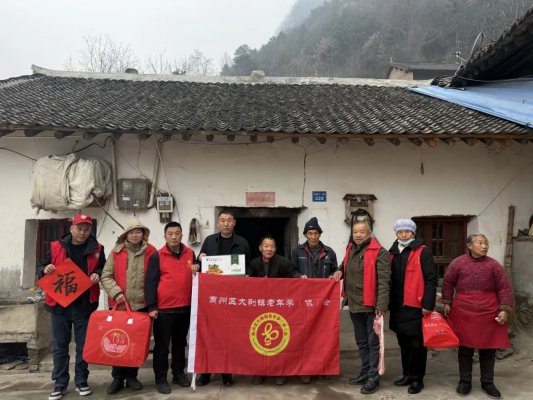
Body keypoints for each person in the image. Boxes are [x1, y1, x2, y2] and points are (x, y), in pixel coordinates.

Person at [38, 213, 105, 400]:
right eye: (80, 228)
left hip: (85, 305)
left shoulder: (97, 248)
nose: (83, 232)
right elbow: (41, 267)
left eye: (87, 229)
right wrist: (46, 269)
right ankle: (59, 384)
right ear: (72, 228)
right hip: (60, 306)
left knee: (83, 347)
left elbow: (103, 267)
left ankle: (81, 381)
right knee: (60, 346)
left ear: (90, 230)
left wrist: (97, 274)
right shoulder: (55, 246)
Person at [442, 234, 513, 399]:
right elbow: (447, 282)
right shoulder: (458, 263)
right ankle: (464, 381)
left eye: (486, 243)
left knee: (488, 349)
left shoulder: (494, 265)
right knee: (465, 349)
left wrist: (504, 310)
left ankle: (488, 382)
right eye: (480, 243)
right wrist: (447, 302)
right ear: (469, 245)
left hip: (489, 311)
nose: (484, 246)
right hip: (463, 311)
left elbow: (504, 288)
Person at [100, 219, 157, 395]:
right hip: (120, 306)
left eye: (138, 232)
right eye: (131, 232)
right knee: (117, 342)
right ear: (126, 235)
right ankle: (117, 377)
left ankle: (132, 376)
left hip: (141, 306)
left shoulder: (151, 252)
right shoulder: (117, 252)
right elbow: (106, 276)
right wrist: (116, 293)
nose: (135, 235)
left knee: (135, 344)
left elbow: (156, 277)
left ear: (143, 234)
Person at [196, 209, 251, 387]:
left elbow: (249, 266)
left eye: (229, 220)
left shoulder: (242, 242)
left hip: (232, 297)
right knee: (208, 335)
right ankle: (205, 372)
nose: (226, 223)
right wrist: (199, 258)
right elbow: (200, 263)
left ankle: (227, 372)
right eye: (222, 220)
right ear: (218, 223)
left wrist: (247, 276)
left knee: (228, 336)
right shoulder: (210, 240)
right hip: (211, 298)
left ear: (234, 222)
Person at [145, 221, 200, 394]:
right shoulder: (156, 255)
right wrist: (152, 307)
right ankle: (161, 379)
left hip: (185, 308)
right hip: (164, 310)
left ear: (182, 235)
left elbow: (199, 272)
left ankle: (178, 374)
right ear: (165, 236)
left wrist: (198, 265)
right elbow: (150, 282)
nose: (174, 237)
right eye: (170, 234)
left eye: (177, 233)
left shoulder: (190, 253)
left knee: (180, 344)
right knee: (162, 347)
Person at [338, 220, 390, 395]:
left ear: (369, 233)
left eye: (362, 232)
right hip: (354, 304)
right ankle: (365, 372)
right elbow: (345, 267)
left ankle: (373, 378)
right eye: (355, 232)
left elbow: (384, 281)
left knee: (372, 343)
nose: (358, 234)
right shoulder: (351, 249)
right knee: (361, 343)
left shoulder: (379, 253)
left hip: (370, 306)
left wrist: (381, 305)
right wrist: (338, 271)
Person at [388, 218, 436, 395]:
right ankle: (407, 374)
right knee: (403, 343)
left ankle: (417, 379)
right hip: (398, 305)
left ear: (413, 233)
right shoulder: (392, 252)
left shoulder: (423, 252)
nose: (403, 234)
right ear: (396, 233)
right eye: (400, 231)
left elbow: (431, 279)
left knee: (417, 344)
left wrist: (428, 304)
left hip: (415, 305)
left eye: (407, 231)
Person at [291, 216, 339, 383]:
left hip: (324, 302)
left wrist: (335, 275)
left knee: (323, 335)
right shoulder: (297, 251)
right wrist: (299, 276)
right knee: (305, 335)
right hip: (304, 301)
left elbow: (335, 271)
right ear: (305, 235)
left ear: (320, 234)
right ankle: (305, 370)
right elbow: (292, 271)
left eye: (316, 233)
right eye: (310, 233)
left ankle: (323, 367)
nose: (313, 236)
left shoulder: (330, 252)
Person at [249, 235, 292, 385]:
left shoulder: (285, 263)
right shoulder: (253, 264)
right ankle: (259, 372)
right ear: (260, 248)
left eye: (272, 246)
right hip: (259, 309)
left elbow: (291, 287)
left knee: (279, 341)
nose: (269, 249)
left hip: (279, 308)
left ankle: (279, 372)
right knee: (258, 340)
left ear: (275, 248)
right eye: (266, 246)